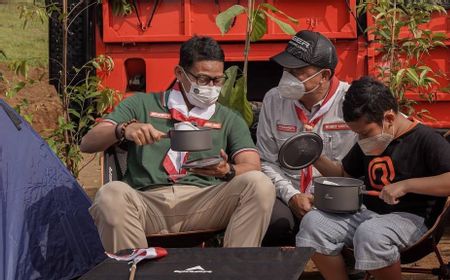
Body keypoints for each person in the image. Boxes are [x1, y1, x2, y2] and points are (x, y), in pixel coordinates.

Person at [80, 36, 275, 253]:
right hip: (147, 203)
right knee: (110, 195)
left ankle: (235, 270)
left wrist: (228, 170)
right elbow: (88, 143)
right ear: (179, 73)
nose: (211, 87)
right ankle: (133, 269)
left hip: (205, 202)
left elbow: (252, 166)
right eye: (202, 79)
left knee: (259, 184)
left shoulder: (228, 118)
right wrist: (123, 129)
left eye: (217, 80)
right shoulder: (141, 104)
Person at [296, 76, 450, 280]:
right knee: (313, 223)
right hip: (367, 214)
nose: (361, 139)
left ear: (389, 118)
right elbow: (343, 175)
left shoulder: (427, 140)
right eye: (357, 134)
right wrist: (313, 156)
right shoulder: (370, 141)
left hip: (414, 221)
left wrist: (405, 186)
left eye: (364, 132)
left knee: (371, 233)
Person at [256, 30, 357, 246]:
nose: (288, 77)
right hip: (290, 194)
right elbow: (265, 161)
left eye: (298, 71)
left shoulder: (352, 102)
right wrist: (292, 196)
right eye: (286, 69)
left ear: (324, 76)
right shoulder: (274, 100)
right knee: (272, 220)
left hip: (338, 197)